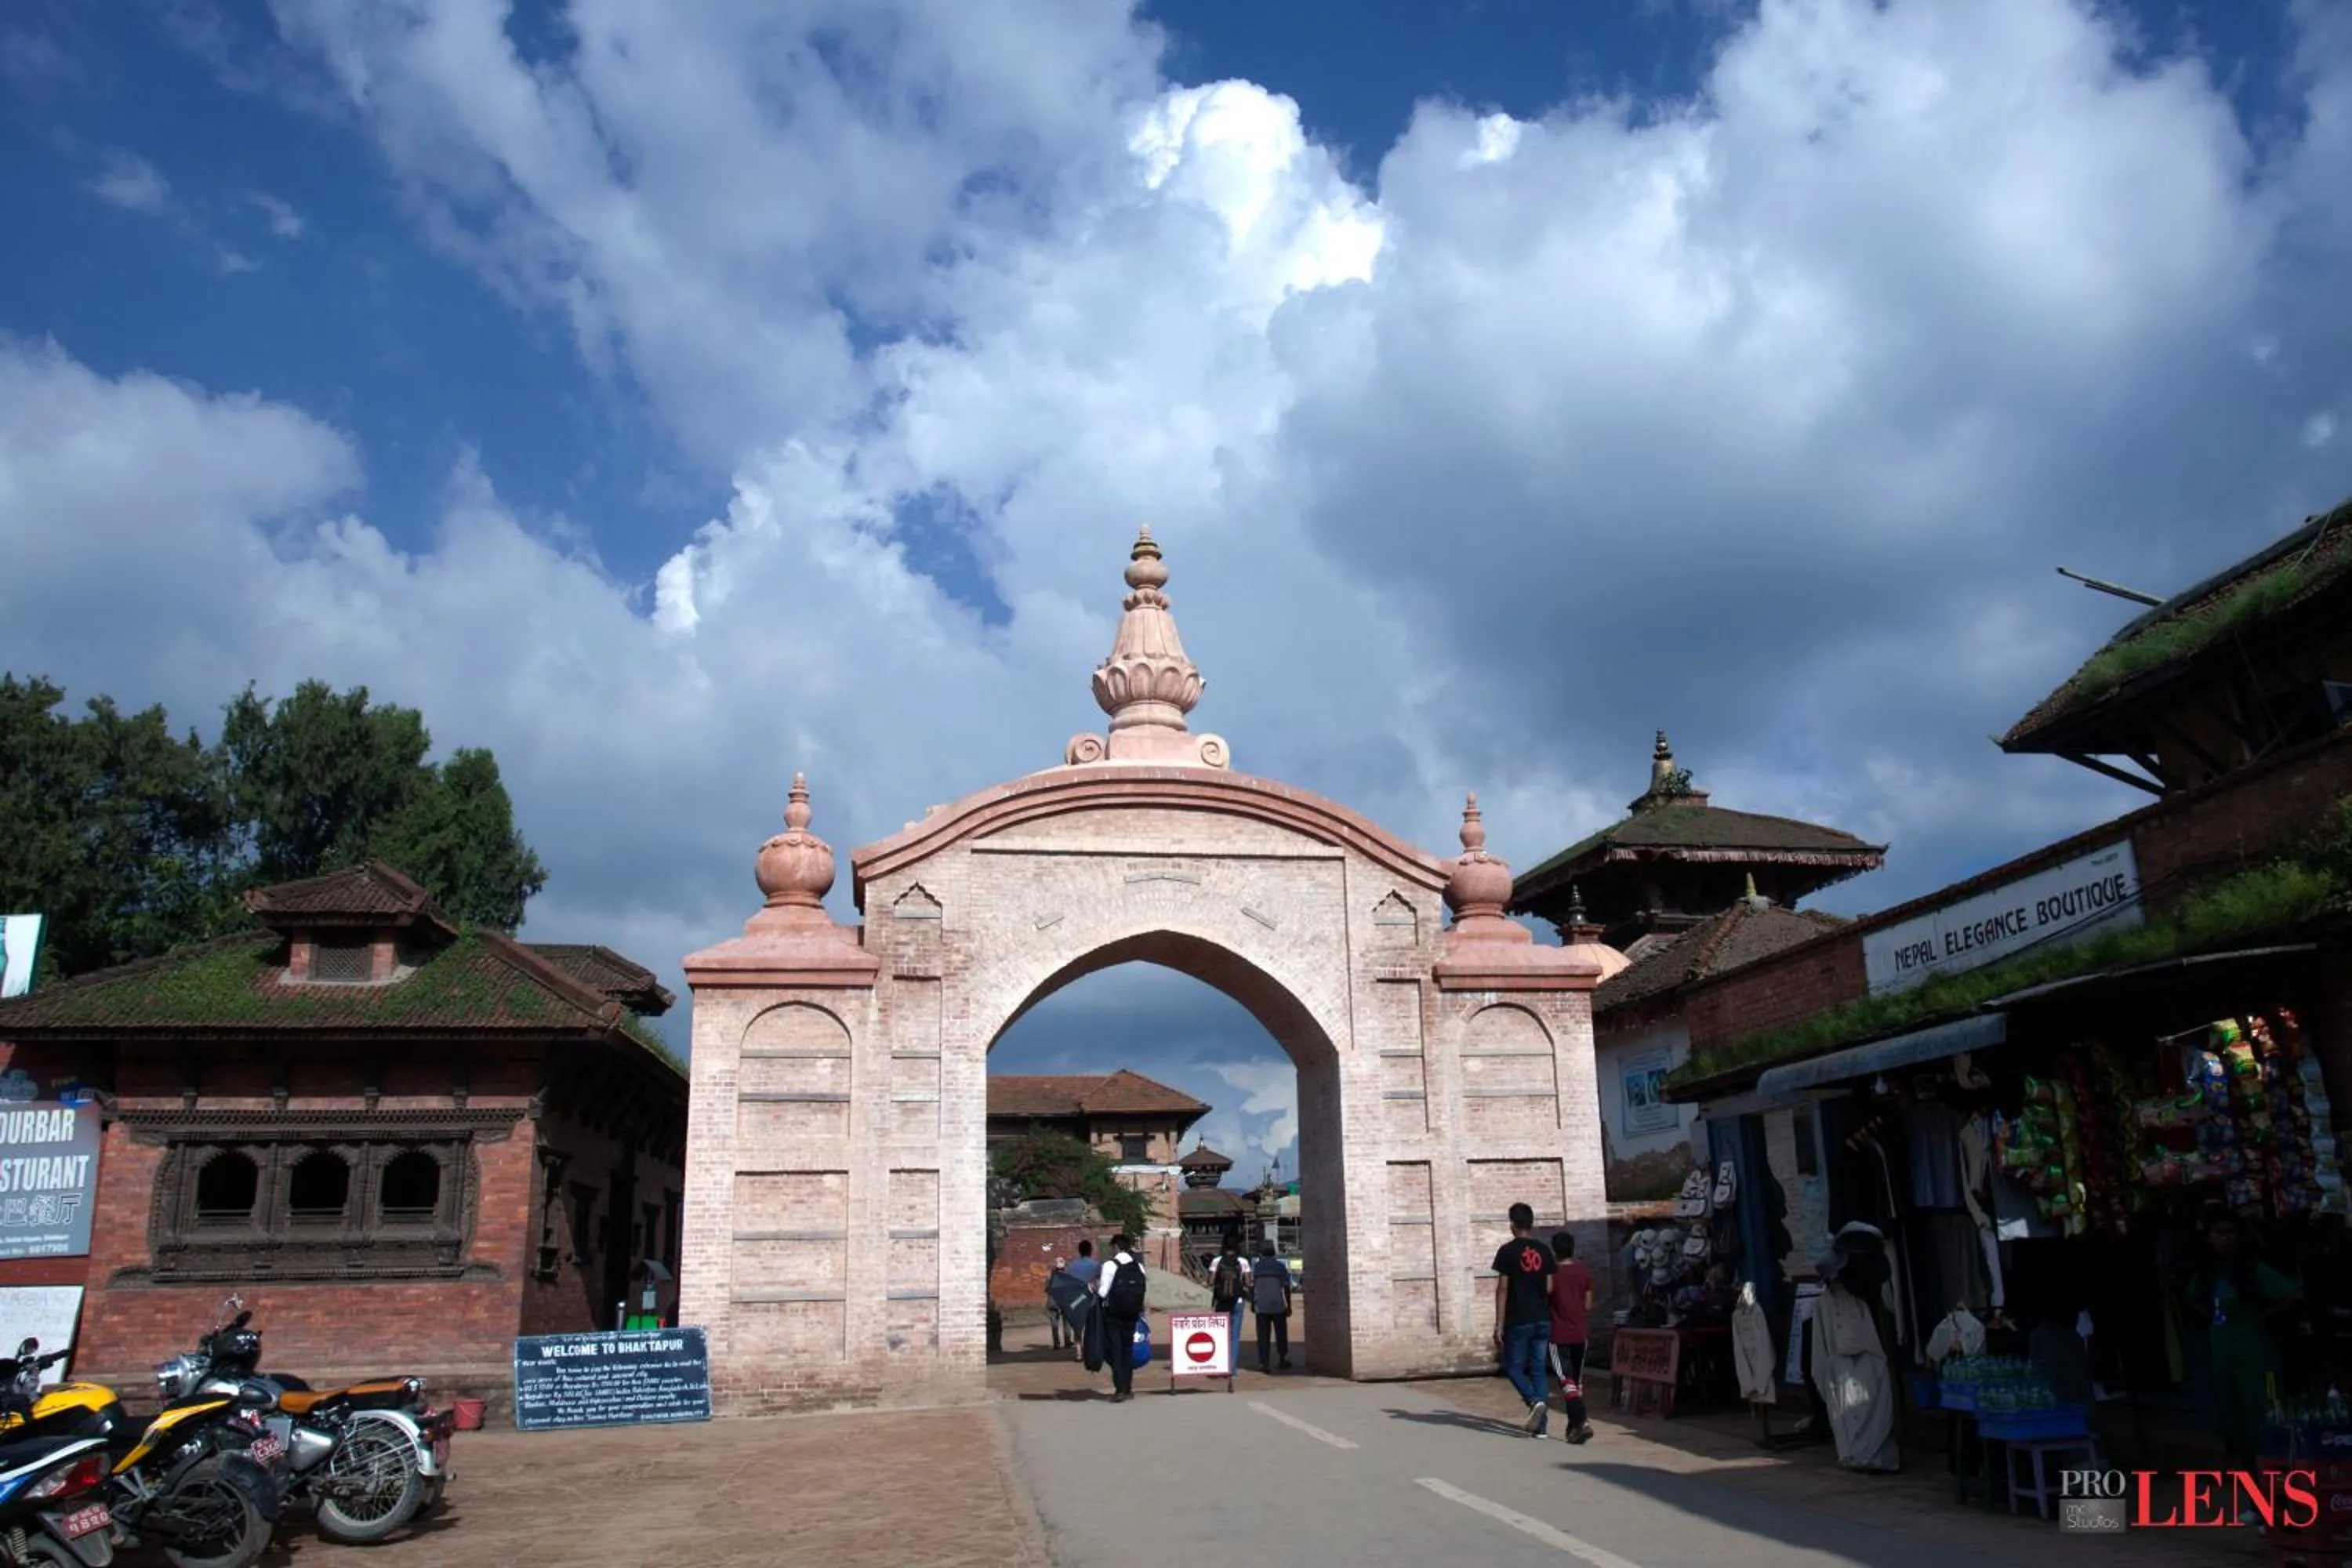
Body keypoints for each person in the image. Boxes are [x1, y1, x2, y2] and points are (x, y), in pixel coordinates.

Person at [2190, 1211, 2303, 1482]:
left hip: (2255, 1353)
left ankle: (2274, 1479)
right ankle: (2251, 1478)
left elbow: (2294, 1295)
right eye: (2218, 1233)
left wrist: (2268, 1314)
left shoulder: (2253, 1269)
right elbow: (2193, 1298)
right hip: (2222, 1353)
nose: (2225, 1239)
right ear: (2209, 1239)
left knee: (2261, 1417)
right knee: (2233, 1420)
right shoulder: (2207, 1273)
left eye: (2230, 1233)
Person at [1491, 1202, 1556, 1436]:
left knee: (1512, 1367)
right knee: (1538, 1368)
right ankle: (1541, 1428)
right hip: (1542, 1317)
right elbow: (1549, 1287)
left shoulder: (1507, 1251)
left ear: (1512, 1224)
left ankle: (1532, 1401)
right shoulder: (1544, 1250)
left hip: (1518, 1318)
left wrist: (1499, 1324)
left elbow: (1502, 1289)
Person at [1548, 1230, 1595, 1444]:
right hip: (1579, 1333)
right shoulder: (1584, 1272)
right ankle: (1574, 1426)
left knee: (1566, 1381)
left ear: (1554, 1252)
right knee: (1576, 1382)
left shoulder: (1552, 1274)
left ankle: (1582, 1420)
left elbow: (1546, 1295)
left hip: (1559, 1334)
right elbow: (1588, 1305)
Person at [1094, 1232, 1149, 1403]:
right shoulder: (1139, 1266)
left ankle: (1120, 1389)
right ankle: (1128, 1388)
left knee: (1115, 1351)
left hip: (1113, 1315)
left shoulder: (1110, 1265)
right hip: (1132, 1313)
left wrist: (1095, 1287)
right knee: (1127, 1349)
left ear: (1116, 1247)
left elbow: (1103, 1292)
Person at [1252, 1237, 1294, 1373]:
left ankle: (1264, 1363)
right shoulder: (1280, 1267)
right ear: (1274, 1252)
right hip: (1278, 1306)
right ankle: (1282, 1359)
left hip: (1261, 1306)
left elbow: (1253, 1286)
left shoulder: (1257, 1267)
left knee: (1263, 1336)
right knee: (1281, 1334)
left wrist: (1253, 1302)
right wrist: (1289, 1305)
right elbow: (1286, 1287)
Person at [1208, 1231, 1250, 1363]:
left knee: (1221, 1333)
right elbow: (1248, 1283)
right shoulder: (1243, 1261)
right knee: (1234, 1335)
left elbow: (1210, 1282)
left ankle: (1222, 1364)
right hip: (1238, 1301)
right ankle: (1232, 1368)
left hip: (1221, 1300)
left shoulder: (1216, 1261)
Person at [1066, 1239, 1103, 1363]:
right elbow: (1099, 1284)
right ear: (1091, 1251)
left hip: (1076, 1301)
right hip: (1091, 1300)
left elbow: (1069, 1285)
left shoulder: (1071, 1267)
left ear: (1079, 1251)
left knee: (1077, 1327)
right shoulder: (1096, 1266)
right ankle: (1091, 1350)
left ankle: (1078, 1353)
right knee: (1091, 1327)